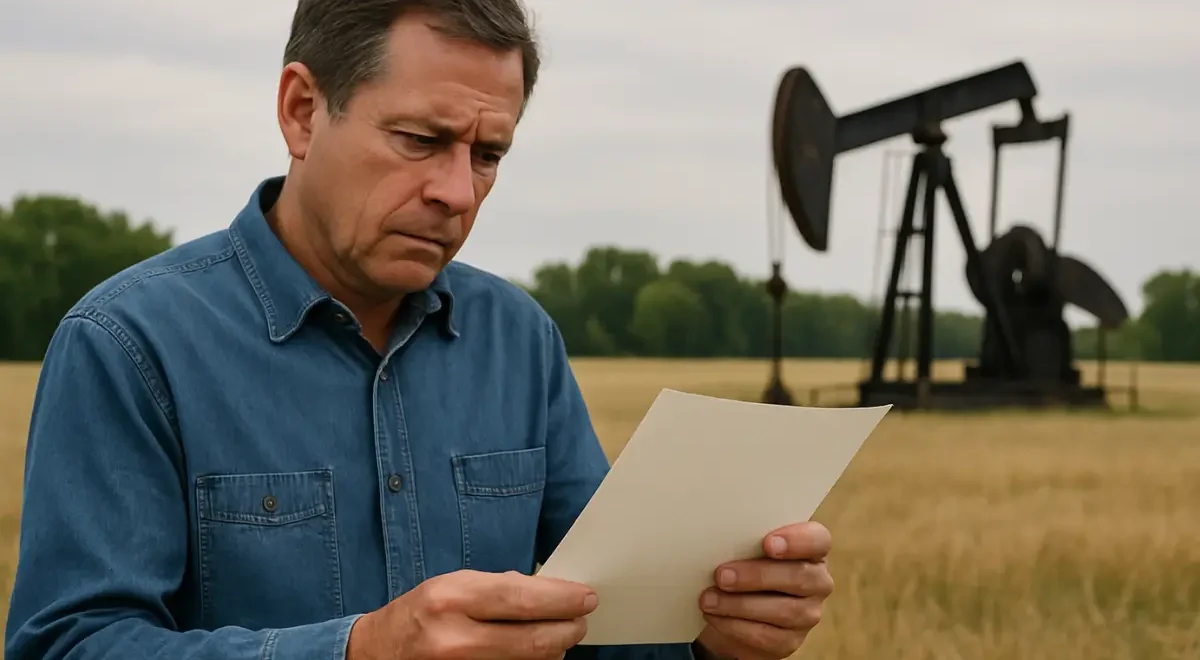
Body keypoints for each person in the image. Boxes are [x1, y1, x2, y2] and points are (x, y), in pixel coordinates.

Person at [4, 1, 835, 659]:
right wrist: (358, 650)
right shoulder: (128, 345)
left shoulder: (520, 340)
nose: (458, 191)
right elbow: (69, 645)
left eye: (488, 154)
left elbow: (597, 627)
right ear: (301, 111)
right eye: (420, 139)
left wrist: (715, 635)